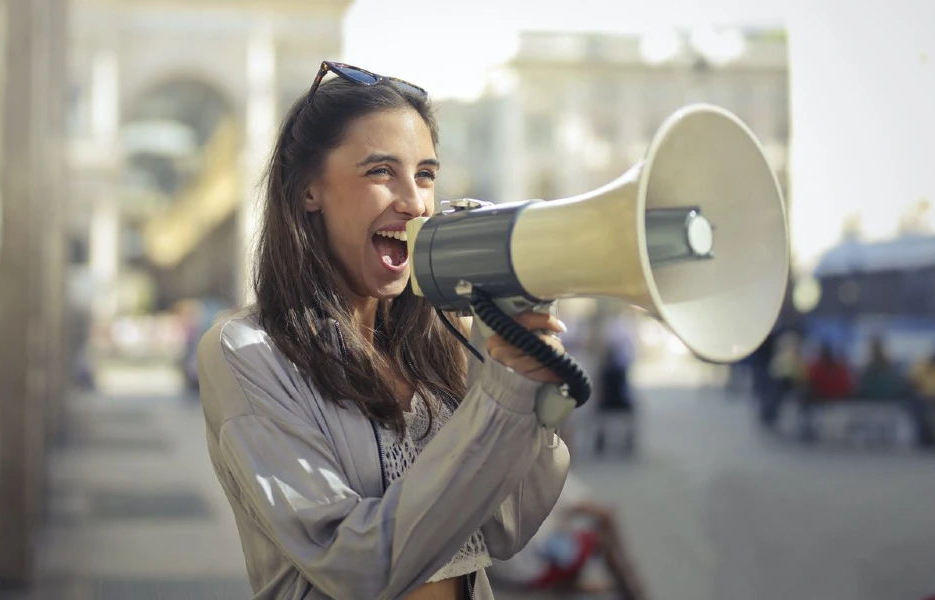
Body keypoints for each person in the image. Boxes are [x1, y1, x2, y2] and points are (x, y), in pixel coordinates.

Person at [195, 61, 572, 600]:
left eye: (425, 174)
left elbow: (504, 527)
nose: (415, 202)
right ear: (308, 191)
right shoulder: (247, 352)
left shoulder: (446, 337)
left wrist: (524, 390)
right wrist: (497, 399)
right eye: (380, 172)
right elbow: (354, 566)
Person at [487, 473, 652, 600]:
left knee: (563, 537)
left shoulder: (499, 470)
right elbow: (603, 514)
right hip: (528, 573)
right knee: (600, 537)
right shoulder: (552, 471)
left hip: (496, 576)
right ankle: (633, 592)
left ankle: (571, 585)